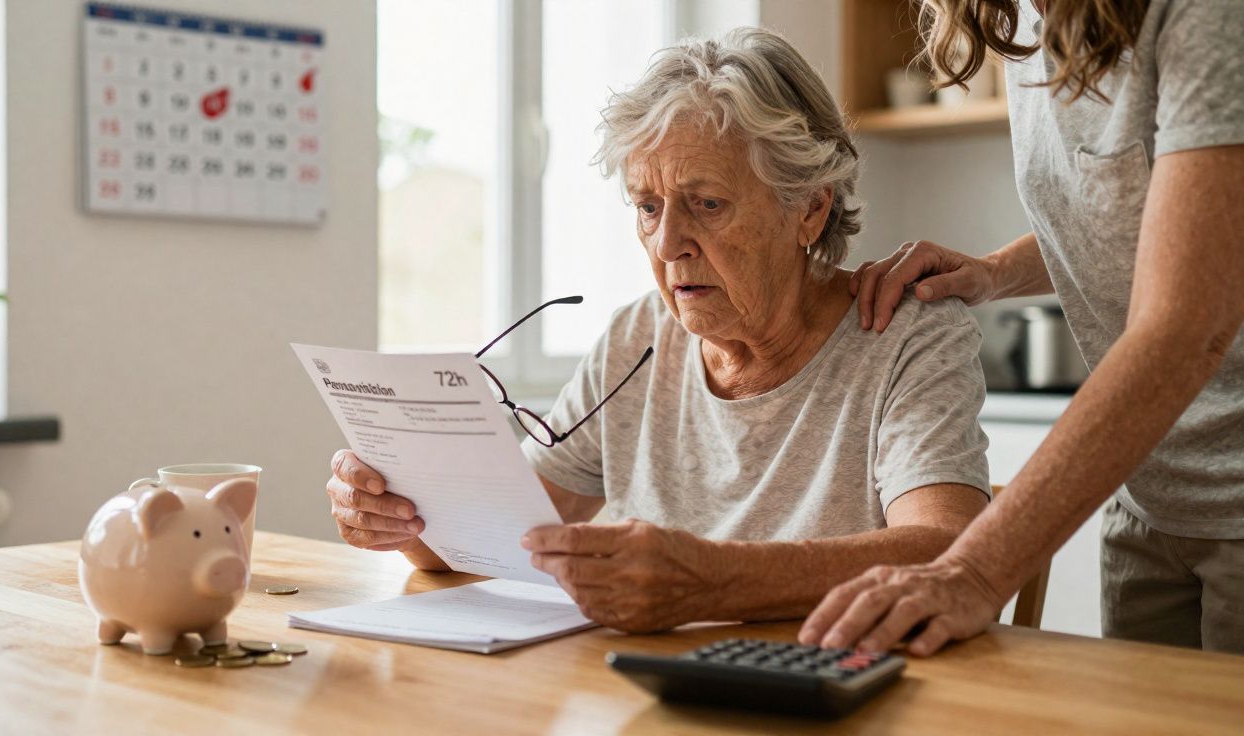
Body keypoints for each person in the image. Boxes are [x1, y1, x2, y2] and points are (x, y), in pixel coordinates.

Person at [327, 28, 993, 633]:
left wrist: (715, 582)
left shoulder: (907, 334)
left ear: (810, 210)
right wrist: (402, 519)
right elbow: (512, 536)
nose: (668, 242)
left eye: (706, 204)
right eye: (648, 206)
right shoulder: (637, 337)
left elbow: (949, 552)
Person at [801, 0, 1244, 656]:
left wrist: (973, 569)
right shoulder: (1024, 26)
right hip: (1150, 495)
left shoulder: (1209, 14)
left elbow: (1187, 325)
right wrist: (991, 273)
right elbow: (1140, 214)